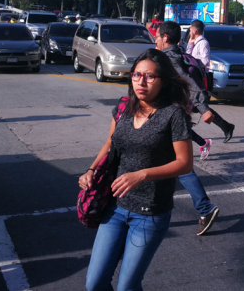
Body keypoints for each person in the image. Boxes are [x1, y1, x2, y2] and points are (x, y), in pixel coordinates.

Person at [79, 49, 193, 291]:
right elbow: (110, 143)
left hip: (149, 214)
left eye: (150, 77)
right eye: (137, 75)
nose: (141, 82)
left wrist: (143, 174)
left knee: (126, 287)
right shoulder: (123, 108)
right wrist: (90, 170)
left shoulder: (173, 115)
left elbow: (185, 163)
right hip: (115, 207)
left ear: (163, 81)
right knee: (94, 283)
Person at [155, 21, 224, 234]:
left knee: (179, 166)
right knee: (172, 164)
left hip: (170, 118)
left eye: (157, 36)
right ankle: (201, 207)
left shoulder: (169, 59)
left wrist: (204, 108)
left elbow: (191, 85)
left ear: (165, 37)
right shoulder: (177, 55)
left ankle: (204, 207)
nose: (155, 39)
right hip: (170, 116)